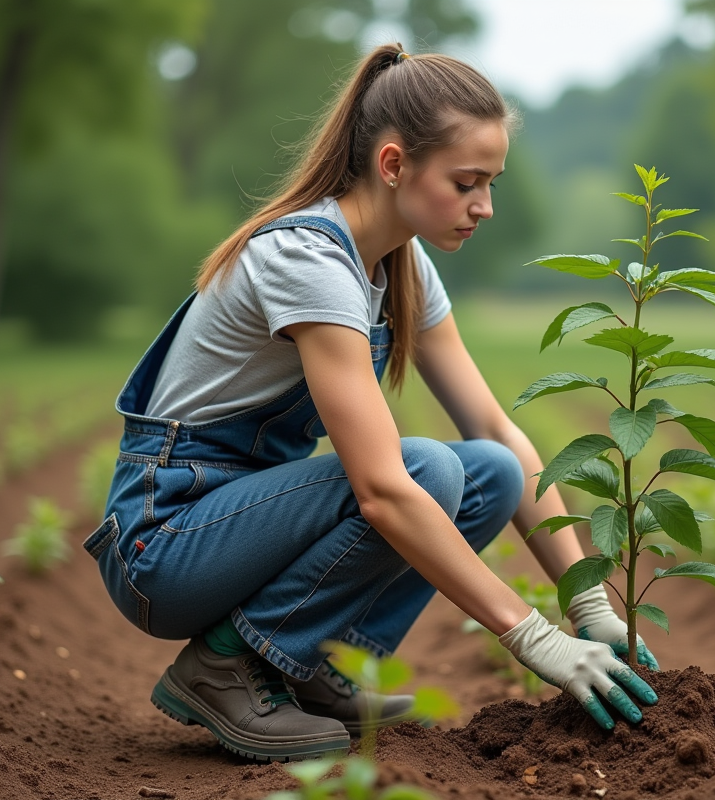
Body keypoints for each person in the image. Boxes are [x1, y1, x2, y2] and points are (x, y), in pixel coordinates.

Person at [83, 43, 660, 764]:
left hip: (240, 520)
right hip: (164, 542)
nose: (484, 206)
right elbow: (383, 490)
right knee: (421, 474)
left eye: (491, 182)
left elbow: (491, 428)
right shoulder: (307, 260)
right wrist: (533, 637)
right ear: (393, 166)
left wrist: (589, 604)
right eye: (466, 182)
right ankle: (224, 666)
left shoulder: (401, 261)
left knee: (490, 472)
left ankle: (310, 667)